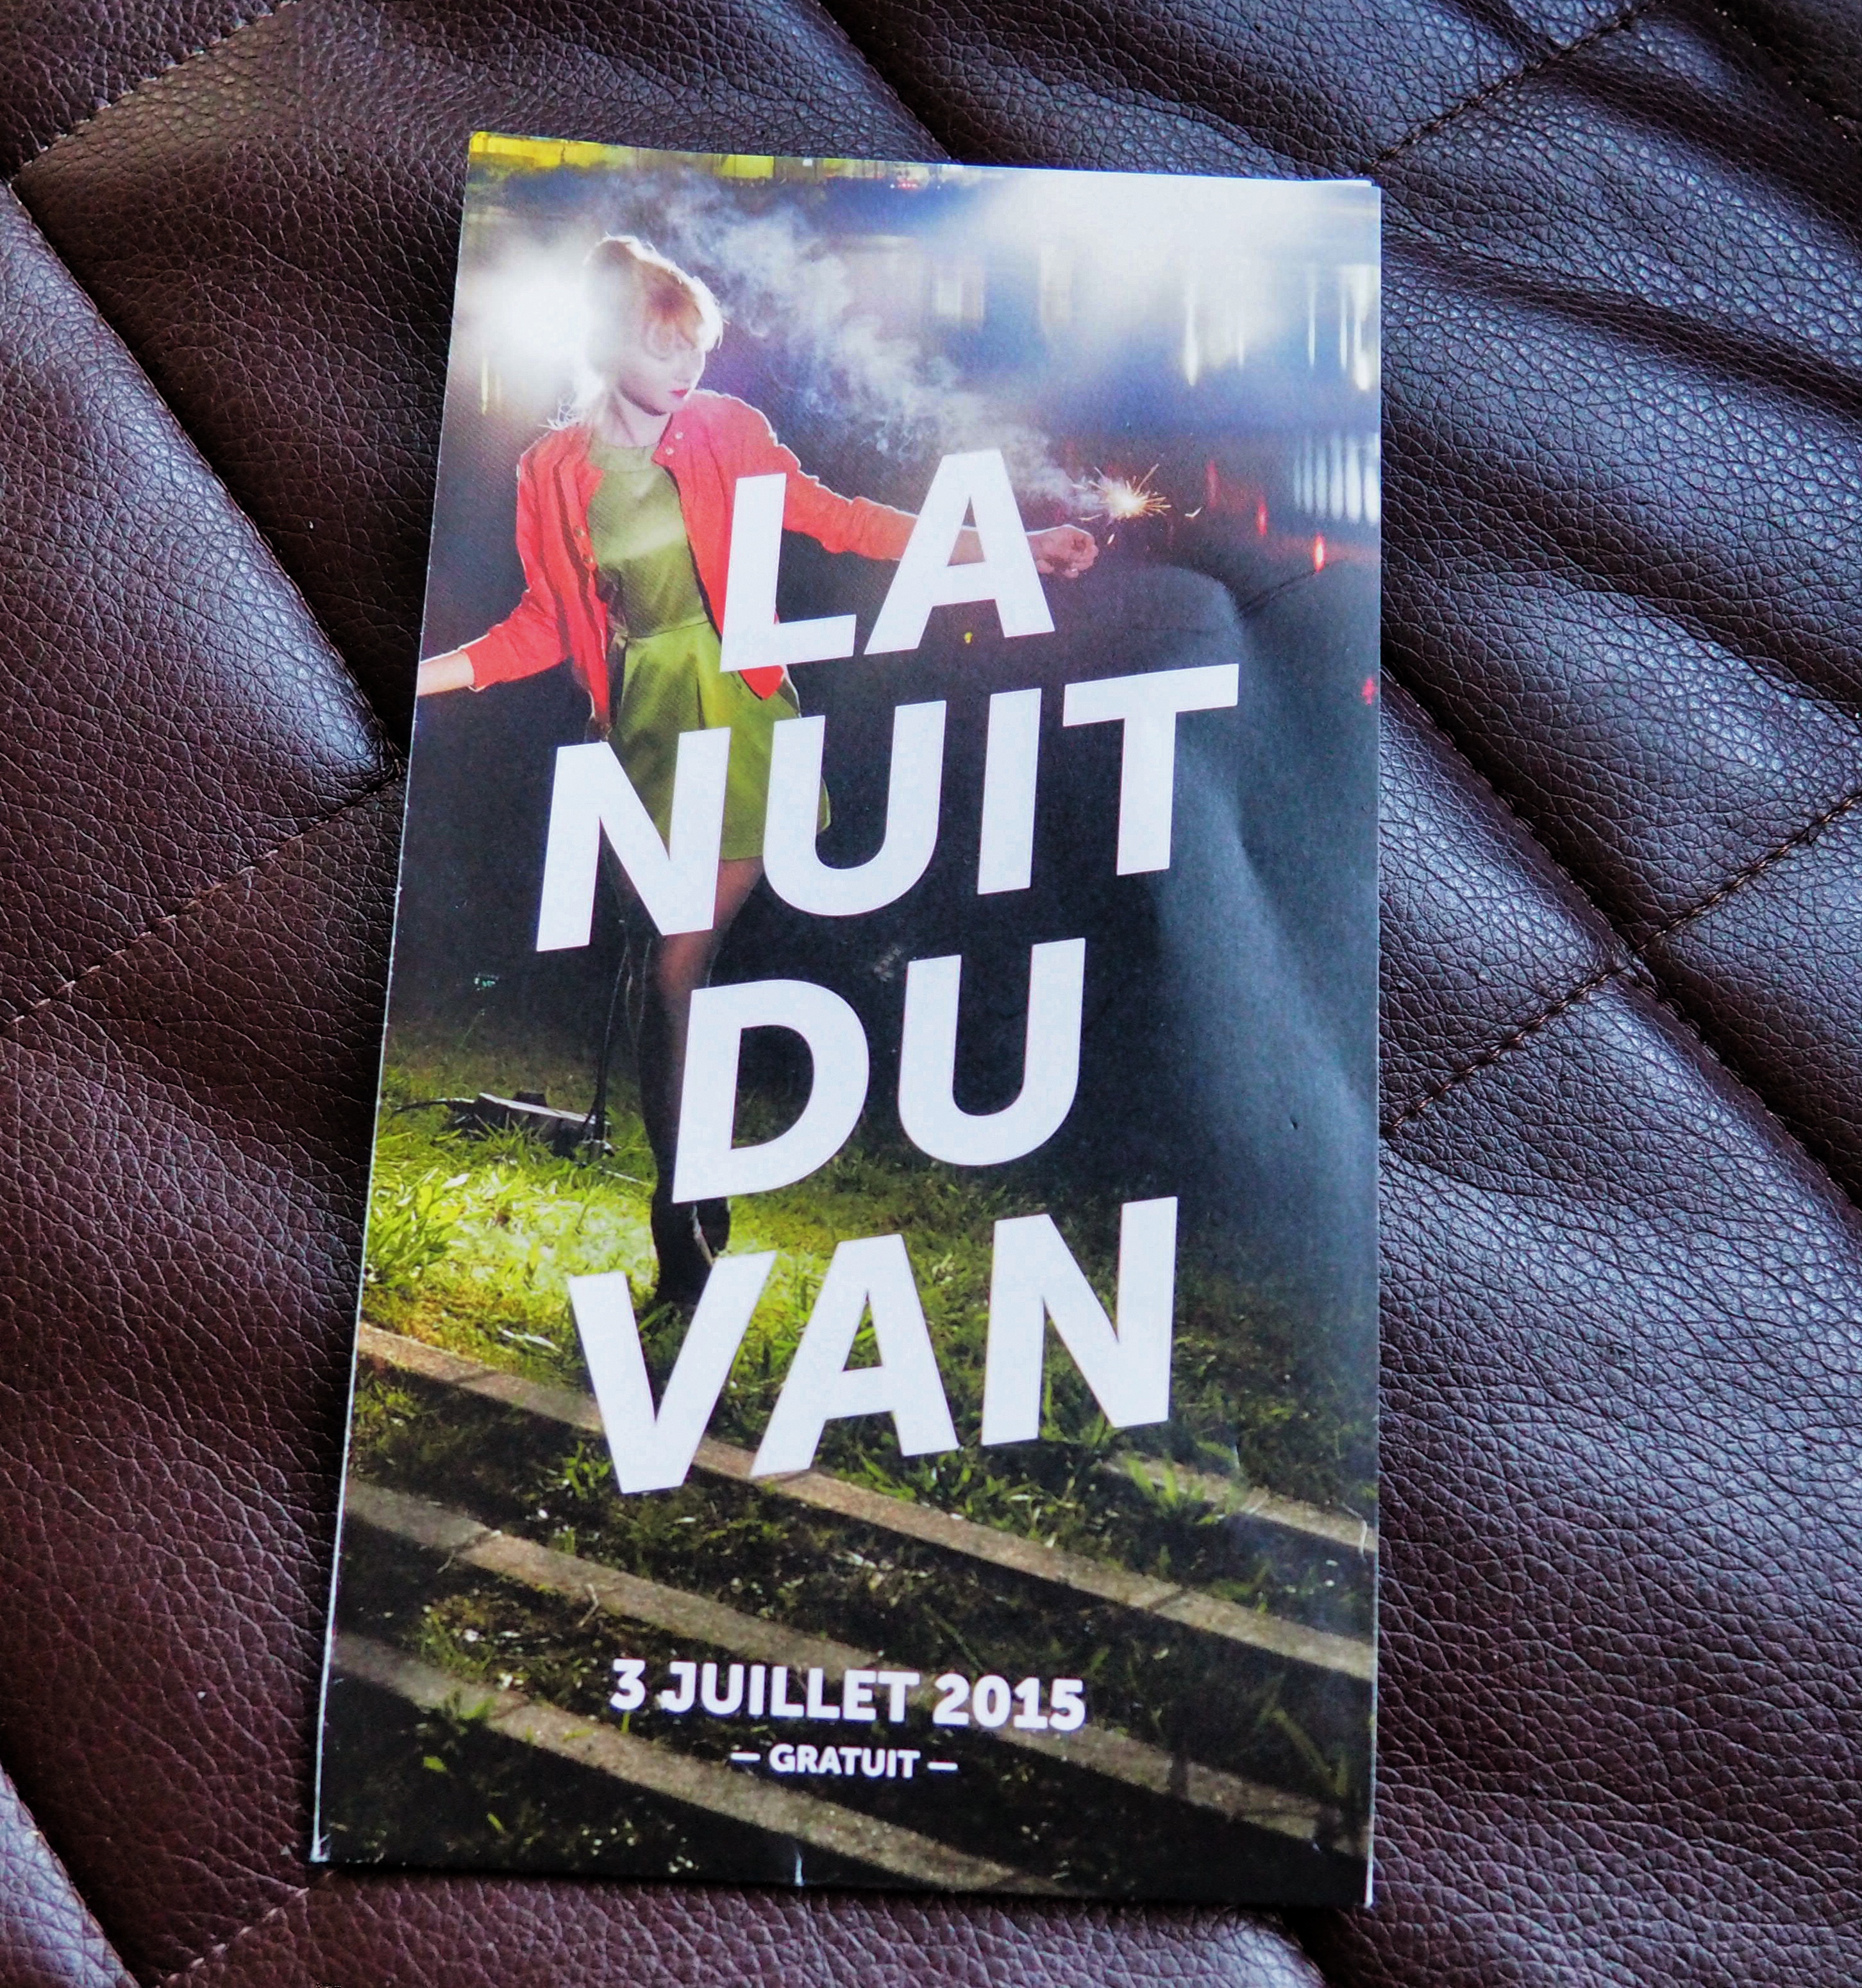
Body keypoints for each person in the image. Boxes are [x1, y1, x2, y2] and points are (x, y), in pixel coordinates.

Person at [418, 233, 1096, 1306]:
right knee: (671, 966)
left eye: (697, 345)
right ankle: (689, 1180)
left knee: (679, 962)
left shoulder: (728, 431)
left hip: (739, 717)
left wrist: (1011, 545)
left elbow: (843, 522)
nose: (687, 367)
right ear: (609, 342)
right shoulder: (551, 471)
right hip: (639, 728)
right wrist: (435, 674)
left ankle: (678, 1197)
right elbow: (545, 622)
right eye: (664, 345)